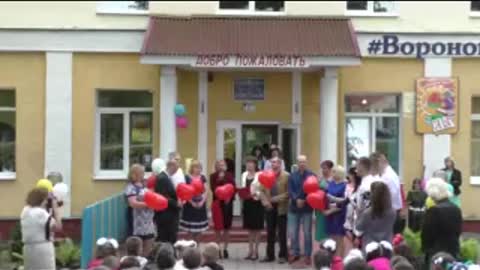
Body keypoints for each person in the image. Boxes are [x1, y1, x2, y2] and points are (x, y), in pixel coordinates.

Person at [422, 178, 462, 266]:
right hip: (453, 250)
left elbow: (426, 236)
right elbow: (458, 231)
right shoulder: (456, 208)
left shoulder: (433, 211)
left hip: (436, 253)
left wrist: (425, 251)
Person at [21, 187, 62, 270]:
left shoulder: (25, 211)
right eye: (46, 199)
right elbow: (58, 226)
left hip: (28, 249)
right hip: (43, 248)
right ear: (41, 199)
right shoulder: (40, 213)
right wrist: (55, 208)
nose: (47, 202)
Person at [258, 157, 289, 264]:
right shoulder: (266, 174)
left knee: (282, 233)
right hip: (269, 207)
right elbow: (261, 190)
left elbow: (288, 193)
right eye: (272, 162)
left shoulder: (286, 176)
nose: (273, 164)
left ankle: (283, 256)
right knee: (270, 232)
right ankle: (269, 255)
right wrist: (265, 201)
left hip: (282, 208)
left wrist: (277, 198)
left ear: (280, 164)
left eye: (276, 162)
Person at [287, 155, 314, 267]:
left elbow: (313, 190)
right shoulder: (292, 176)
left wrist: (304, 199)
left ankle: (307, 255)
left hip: (307, 207)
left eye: (304, 161)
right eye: (300, 162)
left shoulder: (312, 175)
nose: (302, 164)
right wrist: (296, 199)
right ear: (297, 163)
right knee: (293, 232)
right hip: (294, 207)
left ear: (306, 162)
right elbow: (290, 189)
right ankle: (295, 252)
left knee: (307, 233)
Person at [125, 164, 155, 256]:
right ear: (135, 174)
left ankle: (145, 261)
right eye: (142, 172)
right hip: (137, 221)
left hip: (147, 220)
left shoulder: (143, 185)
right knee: (137, 244)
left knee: (149, 241)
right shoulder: (131, 187)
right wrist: (149, 204)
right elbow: (133, 203)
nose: (144, 175)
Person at [357, 181, 396, 251]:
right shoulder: (393, 212)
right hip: (387, 246)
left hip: (370, 247)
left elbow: (359, 227)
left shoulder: (368, 213)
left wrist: (359, 212)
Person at [210, 159, 235, 259]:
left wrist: (229, 197)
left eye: (223, 165)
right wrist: (220, 179)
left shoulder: (229, 175)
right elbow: (213, 189)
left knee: (226, 228)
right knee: (217, 228)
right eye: (219, 165)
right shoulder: (213, 176)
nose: (221, 166)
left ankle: (225, 249)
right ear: (216, 166)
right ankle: (218, 249)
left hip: (228, 204)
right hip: (218, 204)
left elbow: (233, 187)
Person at [240, 156, 263, 260]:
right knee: (249, 229)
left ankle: (256, 252)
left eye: (251, 163)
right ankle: (250, 251)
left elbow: (263, 188)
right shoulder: (244, 174)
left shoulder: (260, 174)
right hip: (247, 203)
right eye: (247, 163)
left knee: (257, 229)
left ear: (255, 164)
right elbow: (243, 187)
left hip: (257, 203)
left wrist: (256, 193)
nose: (249, 165)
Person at [180, 160, 209, 243]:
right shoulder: (186, 177)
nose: (198, 169)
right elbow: (184, 191)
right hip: (190, 206)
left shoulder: (203, 177)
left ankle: (197, 246)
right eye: (196, 167)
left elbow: (206, 191)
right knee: (190, 230)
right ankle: (190, 247)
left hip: (200, 206)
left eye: (200, 167)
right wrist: (192, 202)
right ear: (192, 168)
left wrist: (202, 202)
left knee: (200, 230)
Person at [155, 158, 182, 244]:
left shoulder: (167, 177)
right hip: (166, 215)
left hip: (170, 214)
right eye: (176, 168)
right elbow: (163, 197)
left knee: (171, 237)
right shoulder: (162, 178)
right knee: (166, 238)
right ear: (171, 166)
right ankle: (166, 255)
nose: (176, 171)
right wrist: (176, 203)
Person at [376, 153, 404, 234]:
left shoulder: (387, 176)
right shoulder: (389, 174)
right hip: (392, 213)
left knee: (389, 243)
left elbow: (391, 195)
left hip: (389, 214)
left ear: (382, 161)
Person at [325, 165, 347, 258]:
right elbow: (325, 196)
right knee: (331, 238)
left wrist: (331, 211)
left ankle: (340, 260)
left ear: (339, 173)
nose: (332, 173)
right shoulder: (331, 183)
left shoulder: (345, 185)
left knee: (339, 239)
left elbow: (344, 202)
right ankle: (332, 259)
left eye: (334, 172)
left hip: (339, 215)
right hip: (330, 215)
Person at [344, 167, 362, 254]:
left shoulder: (360, 188)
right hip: (348, 217)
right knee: (349, 234)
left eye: (350, 174)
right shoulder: (346, 185)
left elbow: (358, 205)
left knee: (357, 243)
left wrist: (350, 200)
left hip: (356, 219)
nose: (348, 176)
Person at [315, 160, 334, 244]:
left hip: (329, 208)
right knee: (320, 229)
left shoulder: (333, 180)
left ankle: (330, 247)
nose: (323, 170)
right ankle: (322, 247)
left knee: (329, 230)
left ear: (330, 169)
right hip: (319, 208)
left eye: (325, 168)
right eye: (322, 168)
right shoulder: (319, 180)